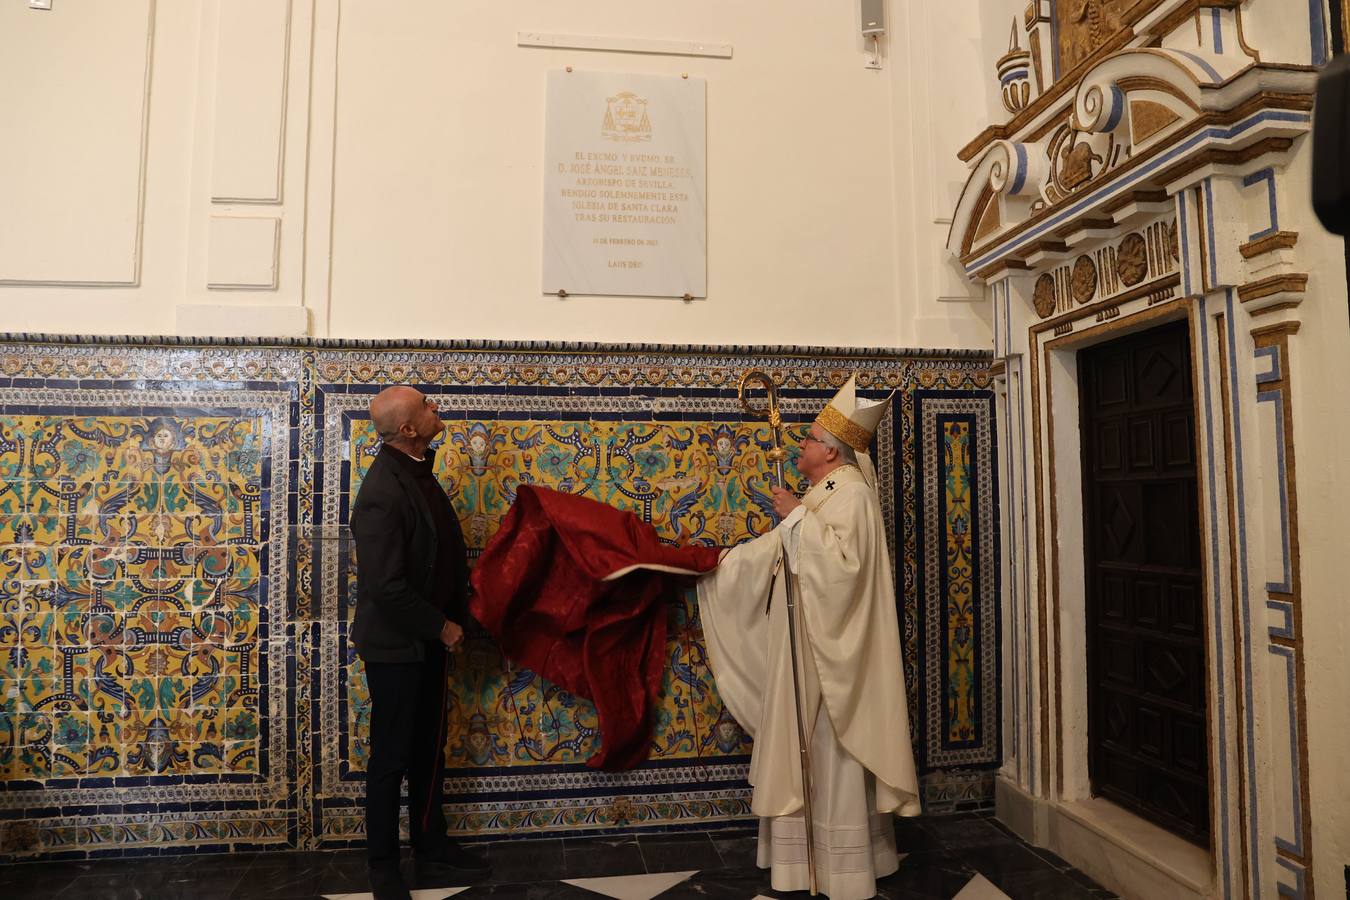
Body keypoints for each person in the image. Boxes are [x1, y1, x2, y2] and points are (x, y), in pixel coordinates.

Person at [697, 376, 921, 900]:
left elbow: (843, 571)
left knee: (830, 752)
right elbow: (779, 552)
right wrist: (717, 565)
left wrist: (796, 517)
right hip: (804, 647)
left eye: (808, 439)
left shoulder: (853, 496)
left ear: (829, 450)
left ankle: (841, 868)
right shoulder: (824, 492)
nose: (799, 446)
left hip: (831, 657)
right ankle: (802, 860)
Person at [351, 385, 491, 899]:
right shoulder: (382, 491)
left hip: (429, 642)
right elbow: (386, 587)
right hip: (397, 648)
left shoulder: (417, 471)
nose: (437, 409)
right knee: (392, 757)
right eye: (427, 405)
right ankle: (383, 866)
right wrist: (441, 625)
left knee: (429, 749)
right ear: (408, 428)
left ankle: (431, 843)